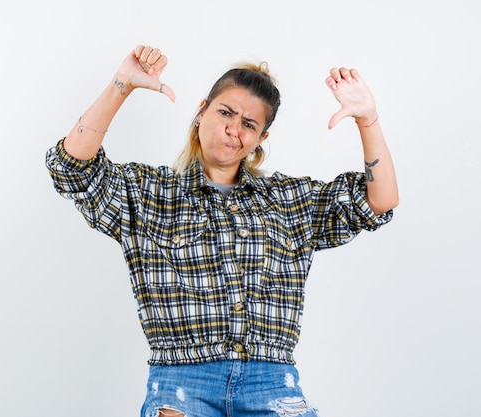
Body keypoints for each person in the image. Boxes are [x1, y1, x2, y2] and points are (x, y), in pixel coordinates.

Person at [45, 44, 398, 417]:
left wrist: (367, 119)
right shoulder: (148, 193)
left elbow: (379, 201)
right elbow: (71, 169)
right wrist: (122, 84)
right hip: (181, 386)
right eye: (225, 113)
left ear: (260, 139)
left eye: (249, 124)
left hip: (273, 387)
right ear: (202, 111)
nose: (234, 129)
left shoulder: (290, 201)